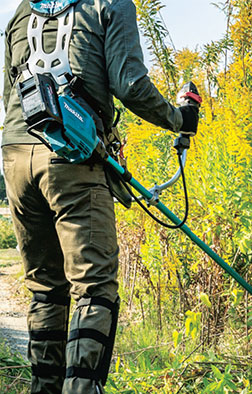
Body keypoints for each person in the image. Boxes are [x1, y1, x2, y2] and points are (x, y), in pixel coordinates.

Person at [2, 0, 198, 392]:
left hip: (15, 156)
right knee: (94, 288)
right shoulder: (111, 4)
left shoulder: (22, 10)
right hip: (71, 156)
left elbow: (10, 91)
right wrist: (180, 118)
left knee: (45, 287)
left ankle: (45, 388)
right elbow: (130, 85)